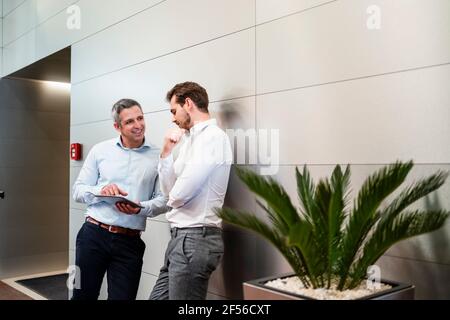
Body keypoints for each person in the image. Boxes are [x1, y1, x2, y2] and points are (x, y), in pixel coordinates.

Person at [72, 98, 168, 300]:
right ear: (117, 126)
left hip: (129, 242)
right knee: (82, 296)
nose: (138, 125)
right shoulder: (100, 150)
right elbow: (78, 191)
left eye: (140, 118)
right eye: (130, 121)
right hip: (92, 236)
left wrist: (140, 208)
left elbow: (164, 200)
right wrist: (101, 190)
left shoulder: (158, 156)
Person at [149, 82, 233, 300]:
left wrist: (174, 195)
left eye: (174, 110)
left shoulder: (212, 138)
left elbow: (178, 195)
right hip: (180, 238)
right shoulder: (189, 140)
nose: (173, 118)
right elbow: (169, 192)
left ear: (188, 104)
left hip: (195, 238)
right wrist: (167, 151)